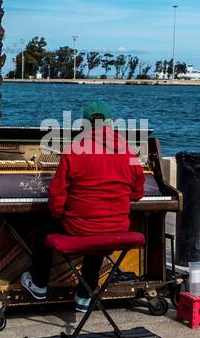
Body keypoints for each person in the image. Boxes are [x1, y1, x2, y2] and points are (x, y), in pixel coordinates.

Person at [21, 101, 145, 312]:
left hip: (81, 228)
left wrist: (59, 214)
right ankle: (84, 295)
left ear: (84, 126)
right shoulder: (130, 152)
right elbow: (138, 192)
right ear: (111, 124)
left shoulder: (74, 150)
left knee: (46, 225)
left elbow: (57, 195)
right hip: (117, 228)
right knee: (99, 231)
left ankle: (40, 284)